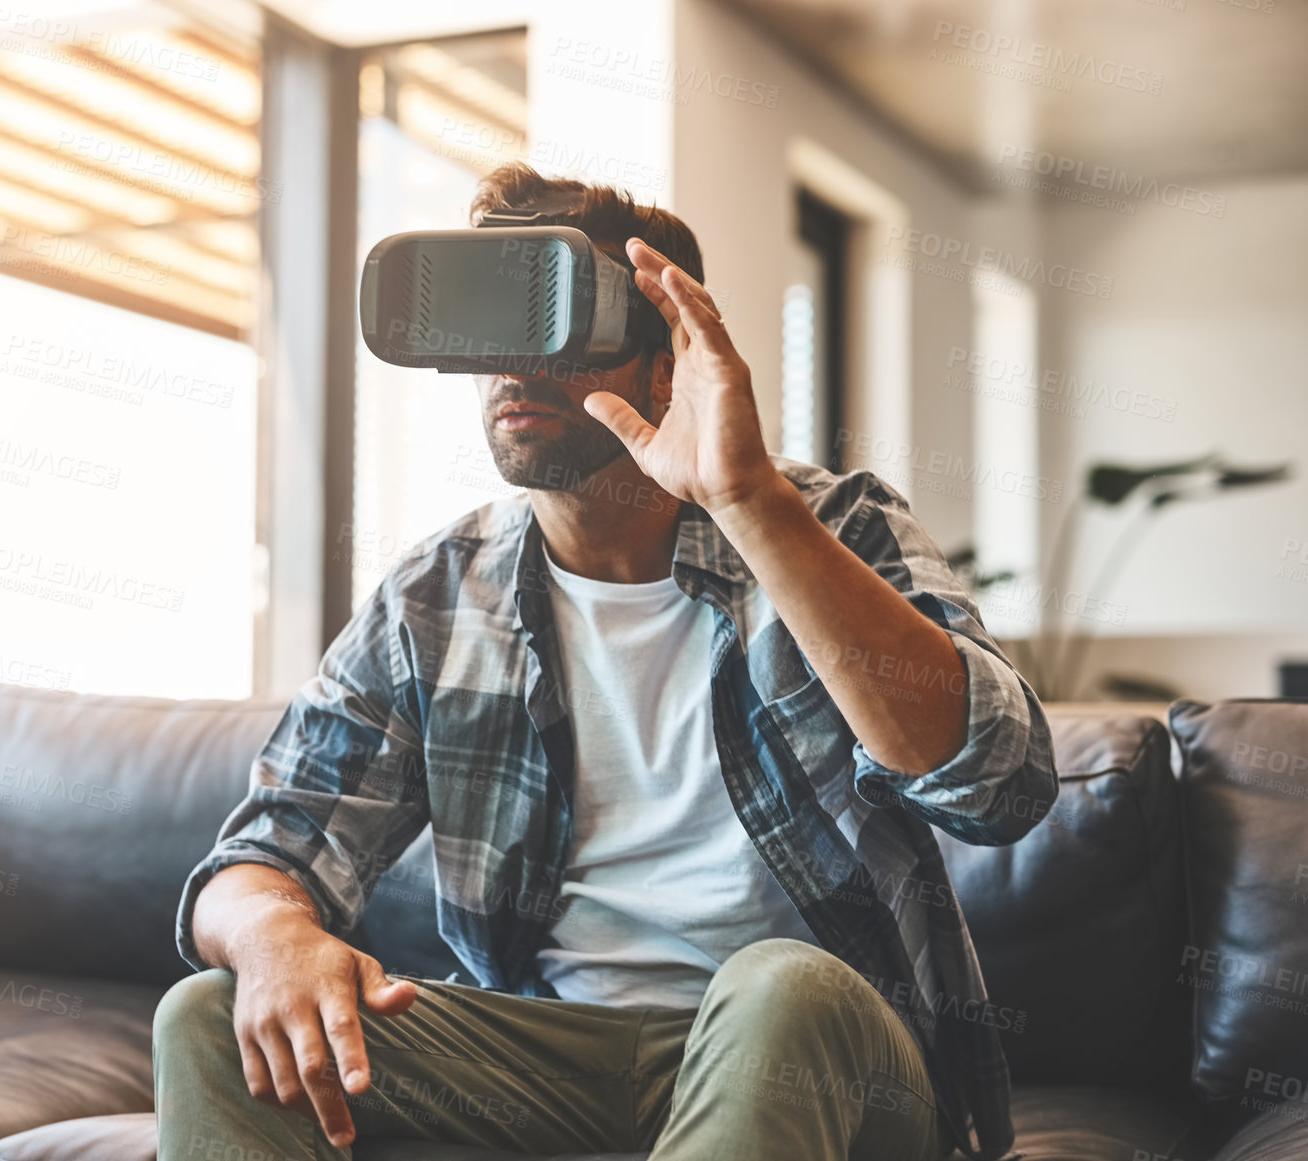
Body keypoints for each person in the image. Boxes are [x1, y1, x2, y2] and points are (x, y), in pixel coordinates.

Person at [155, 162, 1056, 1161]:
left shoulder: (834, 527)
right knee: (204, 1012)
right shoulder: (437, 596)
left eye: (552, 320)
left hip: (822, 1053)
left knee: (777, 984)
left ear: (666, 362)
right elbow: (261, 856)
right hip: (549, 1061)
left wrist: (750, 504)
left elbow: (998, 789)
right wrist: (272, 933)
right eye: (490, 330)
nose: (509, 363)